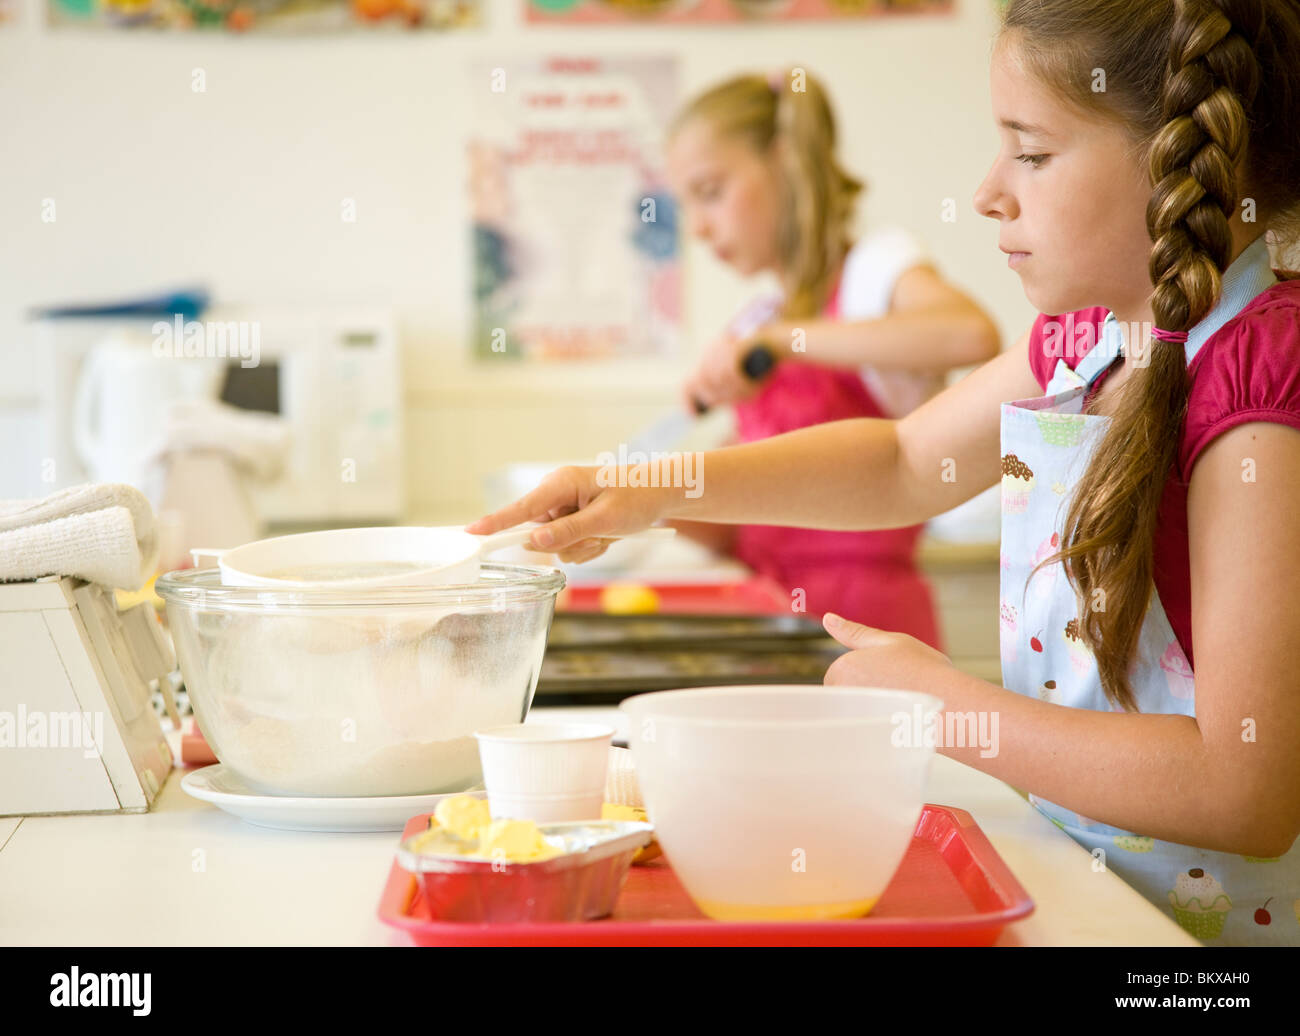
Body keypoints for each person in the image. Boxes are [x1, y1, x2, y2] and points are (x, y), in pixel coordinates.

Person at [469, 0, 1300, 945]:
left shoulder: (1257, 373)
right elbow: (904, 460)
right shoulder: (1087, 342)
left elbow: (1247, 790)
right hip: (1084, 890)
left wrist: (948, 711)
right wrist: (657, 486)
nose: (989, 191)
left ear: (1180, 157)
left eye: (1030, 153)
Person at [661, 71, 999, 651]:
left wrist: (781, 340)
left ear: (785, 161)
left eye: (711, 191)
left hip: (870, 630)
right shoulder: (756, 319)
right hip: (771, 629)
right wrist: (650, 494)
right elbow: (746, 514)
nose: (697, 227)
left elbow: (969, 334)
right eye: (685, 203)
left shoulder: (874, 269)